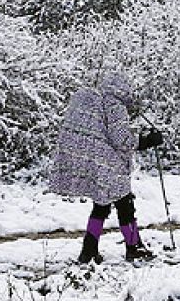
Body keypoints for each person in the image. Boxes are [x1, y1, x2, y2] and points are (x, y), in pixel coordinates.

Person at [50, 72, 165, 264]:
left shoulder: (96, 101)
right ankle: (133, 248)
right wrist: (148, 141)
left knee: (101, 206)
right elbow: (122, 140)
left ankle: (89, 251)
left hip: (93, 162)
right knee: (125, 204)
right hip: (107, 163)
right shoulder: (115, 105)